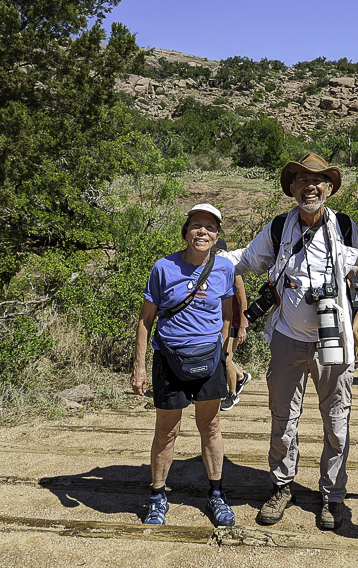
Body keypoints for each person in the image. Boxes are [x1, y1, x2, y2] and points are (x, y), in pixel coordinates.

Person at [222, 153, 358, 531]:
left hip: (333, 338)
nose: (310, 186)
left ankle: (332, 496)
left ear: (329, 187)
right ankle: (281, 485)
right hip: (288, 338)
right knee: (282, 419)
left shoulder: (348, 229)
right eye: (302, 180)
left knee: (337, 421)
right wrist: (206, 258)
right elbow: (245, 260)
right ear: (292, 188)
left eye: (318, 180)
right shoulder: (278, 229)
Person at [130, 204, 236, 528]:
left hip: (209, 361)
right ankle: (158, 496)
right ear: (186, 231)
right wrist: (140, 366)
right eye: (196, 225)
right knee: (166, 430)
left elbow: (229, 314)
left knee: (212, 427)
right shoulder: (163, 268)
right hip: (170, 361)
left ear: (217, 236)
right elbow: (146, 320)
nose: (203, 232)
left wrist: (225, 353)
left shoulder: (224, 269)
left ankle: (216, 494)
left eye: (210, 227)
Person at [214, 238, 252, 410]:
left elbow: (243, 301)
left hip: (236, 322)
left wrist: (243, 326)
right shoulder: (215, 271)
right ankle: (241, 377)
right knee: (223, 356)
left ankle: (232, 394)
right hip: (224, 321)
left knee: (226, 358)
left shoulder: (233, 272)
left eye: (216, 252)